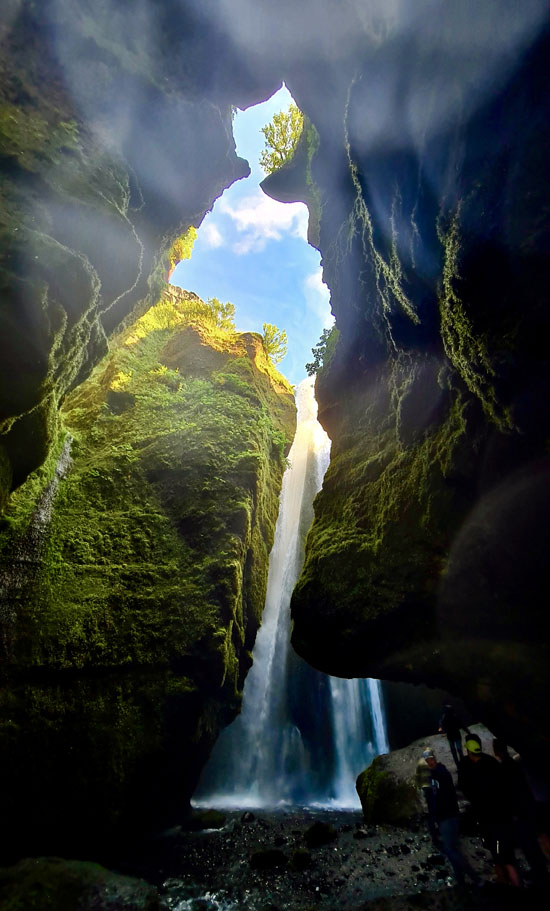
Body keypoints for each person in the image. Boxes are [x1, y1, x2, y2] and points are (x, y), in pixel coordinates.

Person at [458, 734, 520, 887]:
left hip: (490, 817)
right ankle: (510, 879)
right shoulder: (491, 762)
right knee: (504, 853)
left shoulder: (467, 765)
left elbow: (465, 788)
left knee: (499, 853)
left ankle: (506, 881)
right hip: (501, 815)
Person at [493, 738, 549, 885]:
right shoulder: (514, 764)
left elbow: (508, 794)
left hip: (520, 812)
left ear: (496, 751)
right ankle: (540, 868)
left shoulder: (504, 767)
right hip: (529, 808)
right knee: (532, 842)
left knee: (528, 844)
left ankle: (540, 874)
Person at [422, 748, 481, 887]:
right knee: (453, 849)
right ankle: (461, 881)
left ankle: (475, 878)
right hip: (445, 816)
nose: (429, 762)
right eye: (427, 760)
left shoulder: (440, 773)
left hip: (447, 816)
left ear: (434, 759)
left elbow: (439, 797)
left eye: (431, 759)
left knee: (450, 849)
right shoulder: (437, 774)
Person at [416, 752, 439, 846]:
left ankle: (433, 829)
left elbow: (418, 776)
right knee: (434, 806)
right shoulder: (430, 763)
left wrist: (419, 785)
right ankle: (435, 828)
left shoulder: (421, 763)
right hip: (431, 787)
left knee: (431, 807)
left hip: (426, 788)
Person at [438, 705, 465, 769]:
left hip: (452, 736)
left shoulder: (449, 717)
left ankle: (461, 765)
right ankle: (460, 765)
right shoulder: (449, 717)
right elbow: (461, 725)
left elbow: (441, 723)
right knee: (457, 751)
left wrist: (441, 728)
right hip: (453, 736)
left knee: (456, 751)